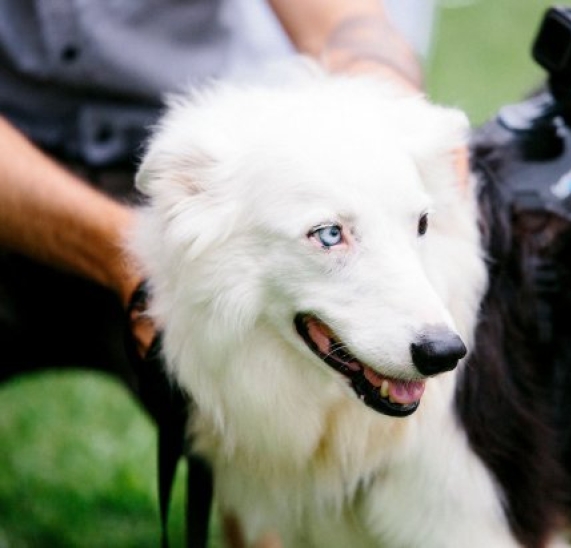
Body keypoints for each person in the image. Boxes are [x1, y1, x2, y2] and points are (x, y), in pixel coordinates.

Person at [0, 1, 435, 542]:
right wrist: (141, 261)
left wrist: (390, 104)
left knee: (269, 433)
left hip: (211, 171)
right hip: (34, 171)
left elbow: (344, 21)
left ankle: (263, 517)